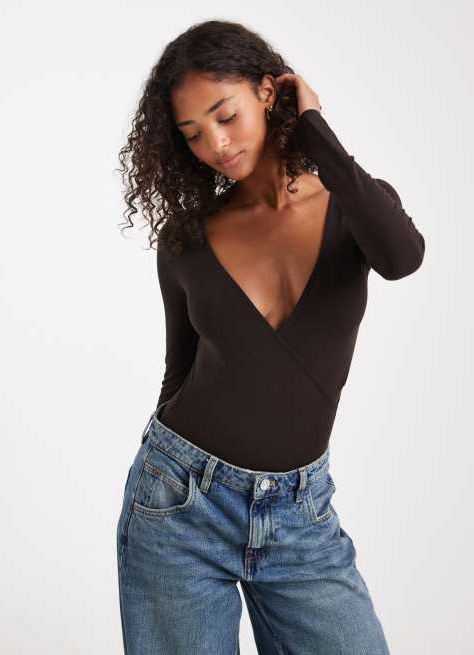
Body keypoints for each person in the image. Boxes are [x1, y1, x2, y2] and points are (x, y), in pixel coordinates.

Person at [115, 19, 425, 655]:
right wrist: (174, 476)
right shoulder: (187, 239)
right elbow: (179, 371)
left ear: (267, 92)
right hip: (180, 504)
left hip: (301, 517)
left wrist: (315, 130)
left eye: (225, 115)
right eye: (192, 133)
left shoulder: (356, 208)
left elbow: (402, 258)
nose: (216, 144)